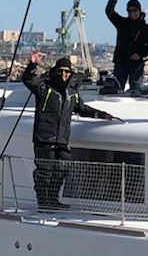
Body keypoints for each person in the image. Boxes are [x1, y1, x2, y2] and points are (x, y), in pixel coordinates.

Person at [21, 51, 115, 212]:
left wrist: (102, 115)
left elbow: (81, 109)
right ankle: (44, 203)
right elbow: (28, 80)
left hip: (62, 139)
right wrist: (33, 64)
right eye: (61, 71)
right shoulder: (45, 88)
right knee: (45, 172)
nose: (64, 74)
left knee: (61, 170)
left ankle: (53, 200)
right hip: (45, 139)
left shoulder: (72, 93)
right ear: (55, 72)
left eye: (67, 71)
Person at [105, 0, 148, 91]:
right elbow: (109, 12)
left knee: (136, 92)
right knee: (116, 90)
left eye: (134, 10)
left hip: (136, 66)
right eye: (130, 11)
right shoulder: (122, 23)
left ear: (139, 11)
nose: (132, 13)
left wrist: (140, 54)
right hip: (120, 63)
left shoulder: (145, 28)